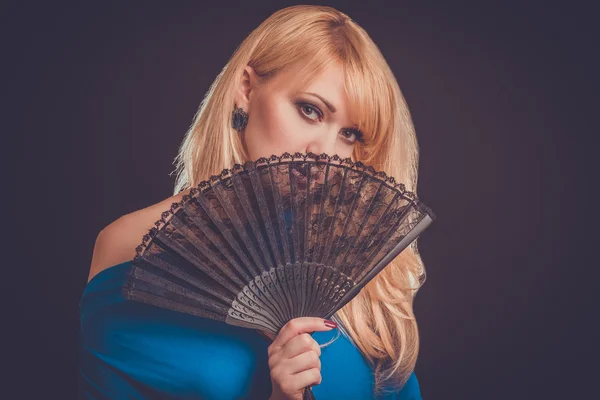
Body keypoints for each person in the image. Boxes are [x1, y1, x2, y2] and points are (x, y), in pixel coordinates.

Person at [79, 5, 427, 400]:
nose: (325, 152)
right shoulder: (128, 247)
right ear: (246, 89)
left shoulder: (366, 268)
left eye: (349, 134)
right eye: (309, 110)